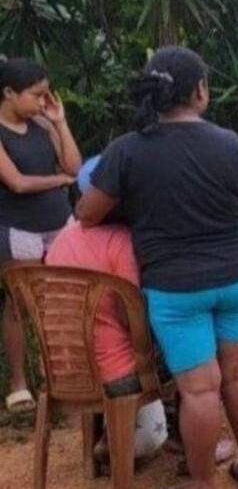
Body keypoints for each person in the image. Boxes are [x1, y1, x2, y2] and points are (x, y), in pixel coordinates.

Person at [77, 46, 238, 489]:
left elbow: (89, 212)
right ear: (200, 91)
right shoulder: (229, 143)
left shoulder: (126, 151)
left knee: (199, 389)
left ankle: (201, 483)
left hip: (175, 287)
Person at [46, 156, 169, 459]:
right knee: (184, 350)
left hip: (63, 368)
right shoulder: (122, 242)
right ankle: (123, 442)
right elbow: (133, 321)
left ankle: (107, 430)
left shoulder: (62, 238)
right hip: (115, 374)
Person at [0, 59, 81, 413]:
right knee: (19, 304)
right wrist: (58, 181)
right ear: (9, 94)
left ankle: (60, 376)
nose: (43, 100)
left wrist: (59, 123)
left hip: (58, 223)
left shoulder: (43, 123)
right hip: (19, 228)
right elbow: (16, 182)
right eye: (36, 95)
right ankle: (19, 383)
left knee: (63, 300)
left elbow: (75, 166)